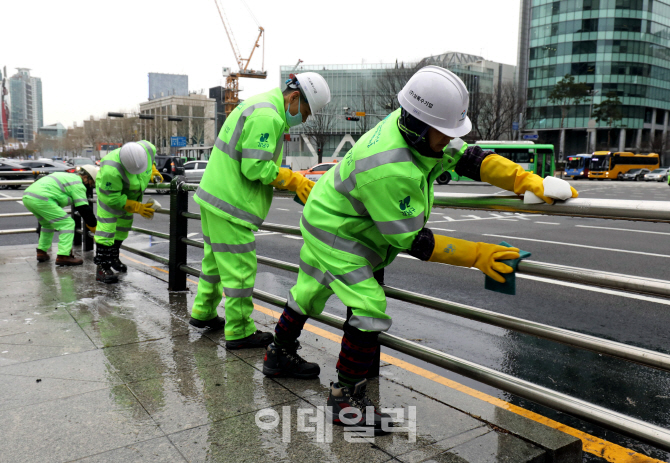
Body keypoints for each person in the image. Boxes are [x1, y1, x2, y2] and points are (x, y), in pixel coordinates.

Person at [262, 66, 579, 432]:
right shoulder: (390, 167)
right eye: (444, 134)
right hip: (336, 229)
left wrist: (528, 180)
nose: (448, 140)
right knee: (368, 307)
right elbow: (415, 241)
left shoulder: (416, 124)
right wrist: (479, 255)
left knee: (308, 290)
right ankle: (345, 400)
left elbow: (471, 159)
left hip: (334, 213)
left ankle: (277, 354)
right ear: (420, 126)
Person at [189, 72, 331, 350]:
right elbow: (255, 167)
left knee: (215, 263)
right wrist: (295, 180)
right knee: (240, 269)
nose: (304, 119)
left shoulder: (257, 104)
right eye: (305, 112)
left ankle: (203, 311)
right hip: (231, 203)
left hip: (214, 197)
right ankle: (240, 331)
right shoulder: (269, 116)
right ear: (294, 97)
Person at [94, 140, 163, 284]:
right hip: (110, 196)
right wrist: (137, 207)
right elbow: (112, 198)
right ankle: (102, 267)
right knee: (106, 230)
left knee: (122, 229)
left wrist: (154, 172)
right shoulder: (111, 169)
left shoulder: (148, 149)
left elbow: (151, 162)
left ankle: (114, 258)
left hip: (130, 195)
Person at [23, 165, 99, 265]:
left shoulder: (67, 176)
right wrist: (94, 227)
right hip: (42, 199)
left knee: (47, 225)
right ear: (86, 177)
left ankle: (41, 252)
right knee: (67, 223)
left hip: (28, 197)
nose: (91, 185)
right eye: (91, 182)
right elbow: (84, 208)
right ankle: (64, 256)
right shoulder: (78, 184)